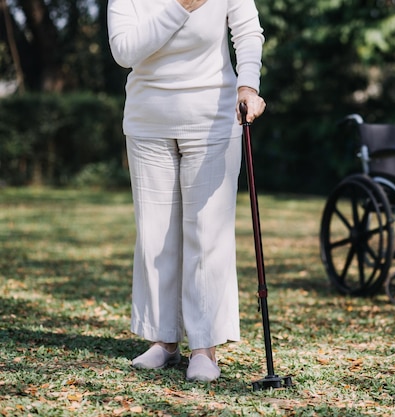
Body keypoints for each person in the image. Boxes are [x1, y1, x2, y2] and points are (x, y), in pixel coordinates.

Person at [107, 0, 265, 382]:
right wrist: (181, 6)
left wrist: (248, 85)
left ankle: (204, 348)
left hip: (212, 119)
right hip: (148, 123)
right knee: (155, 236)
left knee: (206, 232)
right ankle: (163, 341)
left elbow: (247, 31)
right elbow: (124, 51)